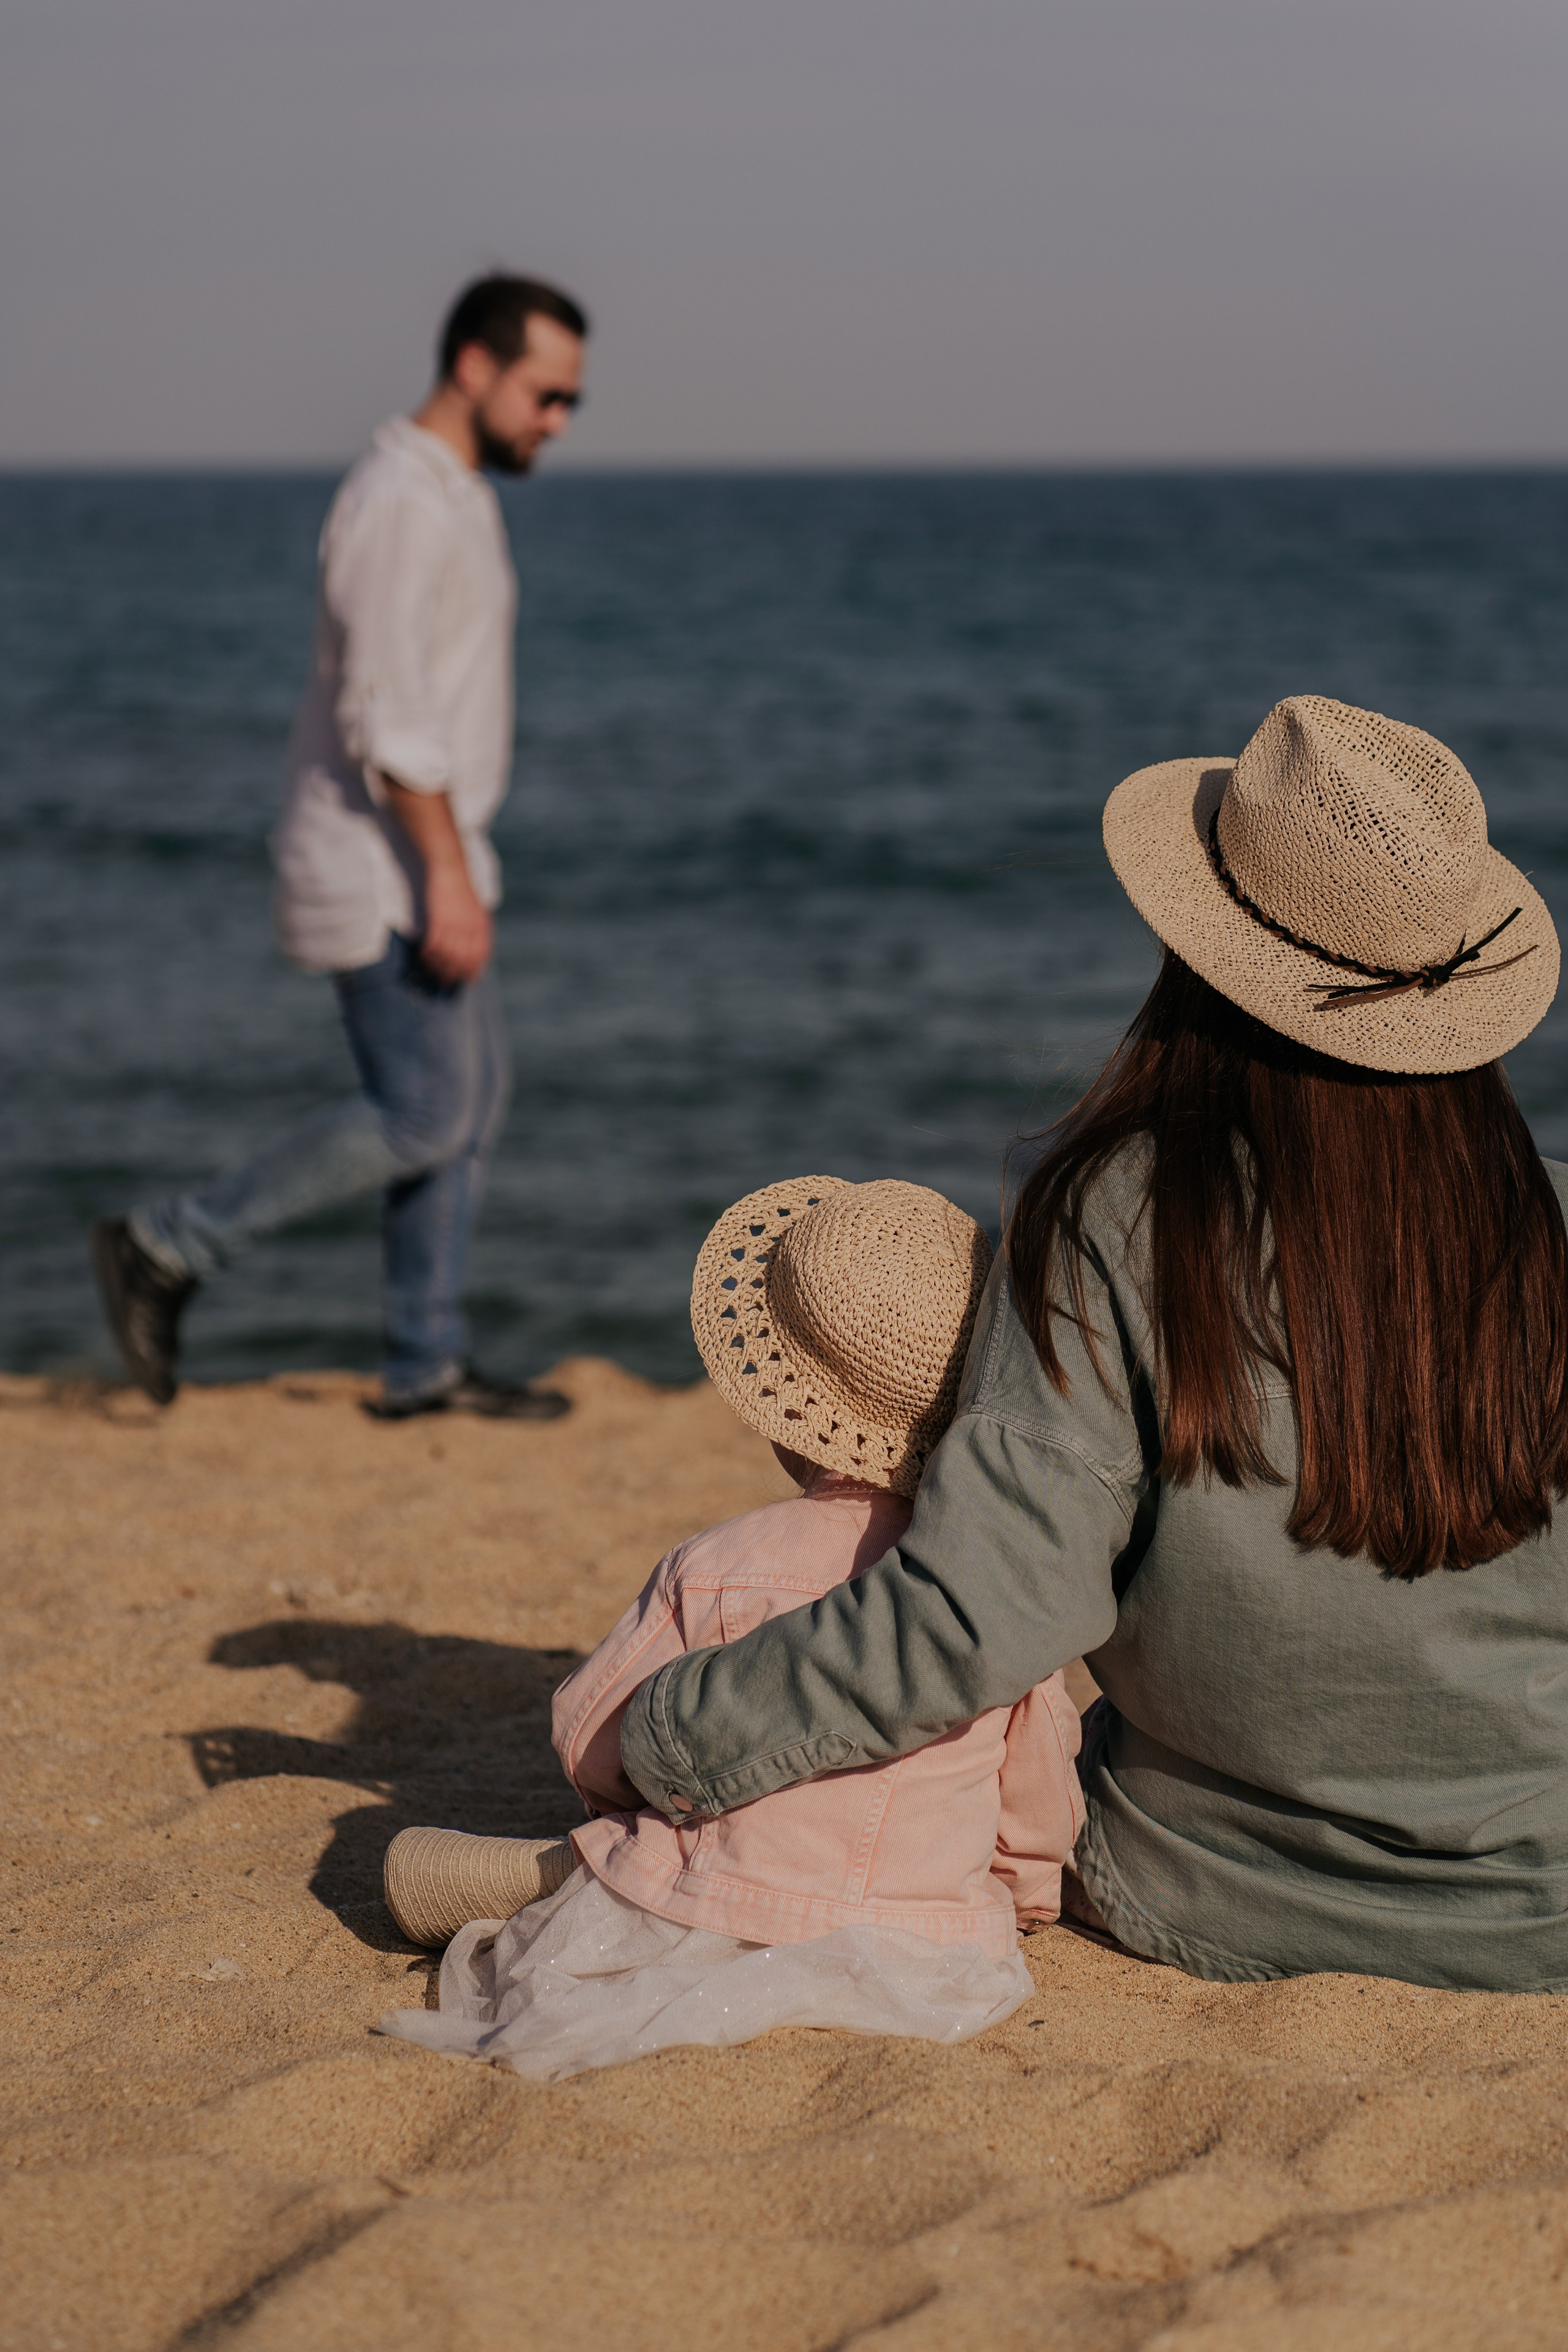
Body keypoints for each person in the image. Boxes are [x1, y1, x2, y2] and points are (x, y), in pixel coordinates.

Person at [612, 695, 1568, 1995]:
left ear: (1201, 951)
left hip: (1212, 1893)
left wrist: (664, 1735)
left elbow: (983, 1613)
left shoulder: (1115, 1217)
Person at [377, 1177, 1086, 2078]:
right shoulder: (989, 1590)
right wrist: (1019, 1896)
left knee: (589, 1906)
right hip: (928, 1949)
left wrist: (635, 1813)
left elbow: (590, 1738)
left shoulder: (719, 1564)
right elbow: (1037, 1809)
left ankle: (557, 1870)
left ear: (787, 1412)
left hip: (713, 1905)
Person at [92, 273, 588, 1420]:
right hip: (385, 867)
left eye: (572, 400)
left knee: (465, 1107)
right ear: (475, 365)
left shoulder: (454, 492)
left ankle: (423, 1362)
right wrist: (447, 880)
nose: (558, 421)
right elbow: (388, 716)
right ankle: (168, 1245)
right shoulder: (399, 501)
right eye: (547, 394)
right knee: (424, 1111)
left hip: (425, 855)